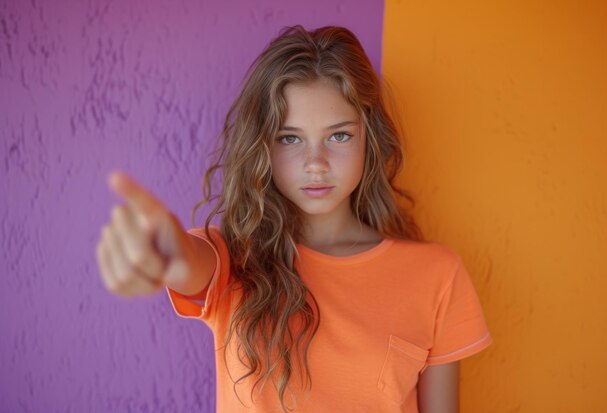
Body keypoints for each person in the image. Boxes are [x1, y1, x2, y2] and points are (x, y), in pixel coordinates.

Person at [96, 25, 492, 413]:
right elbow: (188, 260)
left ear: (369, 138)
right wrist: (164, 250)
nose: (315, 164)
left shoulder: (437, 275)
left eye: (338, 136)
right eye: (290, 138)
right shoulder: (235, 260)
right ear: (262, 146)